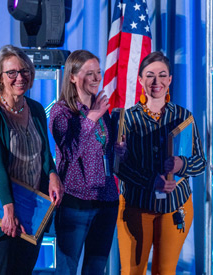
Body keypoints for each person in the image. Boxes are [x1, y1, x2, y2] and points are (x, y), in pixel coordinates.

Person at [0, 44, 64, 274]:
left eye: (24, 71)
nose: (19, 77)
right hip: (1, 212)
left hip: (31, 210)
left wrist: (53, 174)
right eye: (11, 73)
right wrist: (9, 209)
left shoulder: (35, 109)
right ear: (0, 78)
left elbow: (44, 152)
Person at [114, 51, 206, 274]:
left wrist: (180, 165)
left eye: (162, 75)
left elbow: (200, 162)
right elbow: (119, 167)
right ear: (140, 80)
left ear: (170, 80)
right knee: (132, 271)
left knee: (165, 271)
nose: (156, 82)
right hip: (136, 204)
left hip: (176, 205)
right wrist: (150, 181)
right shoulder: (126, 117)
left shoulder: (184, 116)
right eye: (150, 75)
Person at [49, 50, 125, 274]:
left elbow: (103, 150)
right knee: (66, 269)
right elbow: (69, 151)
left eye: (98, 73)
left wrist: (120, 151)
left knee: (96, 269)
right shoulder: (61, 111)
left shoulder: (102, 109)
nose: (96, 78)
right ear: (72, 76)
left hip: (106, 200)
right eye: (89, 73)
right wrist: (91, 117)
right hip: (75, 202)